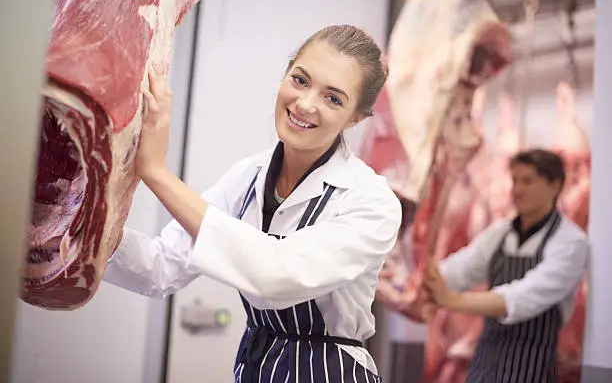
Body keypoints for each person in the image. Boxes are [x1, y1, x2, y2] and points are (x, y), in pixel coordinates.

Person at [103, 25, 402, 382]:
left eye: (333, 98)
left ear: (355, 118)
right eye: (301, 80)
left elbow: (274, 275)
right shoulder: (249, 175)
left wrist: (156, 173)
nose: (305, 104)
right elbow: (160, 267)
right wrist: (76, 227)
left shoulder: (371, 200)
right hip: (257, 368)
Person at [421, 148, 589, 382]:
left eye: (528, 181)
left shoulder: (570, 242)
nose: (517, 190)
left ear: (555, 185)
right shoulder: (501, 233)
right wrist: (421, 279)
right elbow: (459, 269)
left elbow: (525, 296)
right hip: (484, 368)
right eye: (515, 180)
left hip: (532, 372)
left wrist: (453, 301)